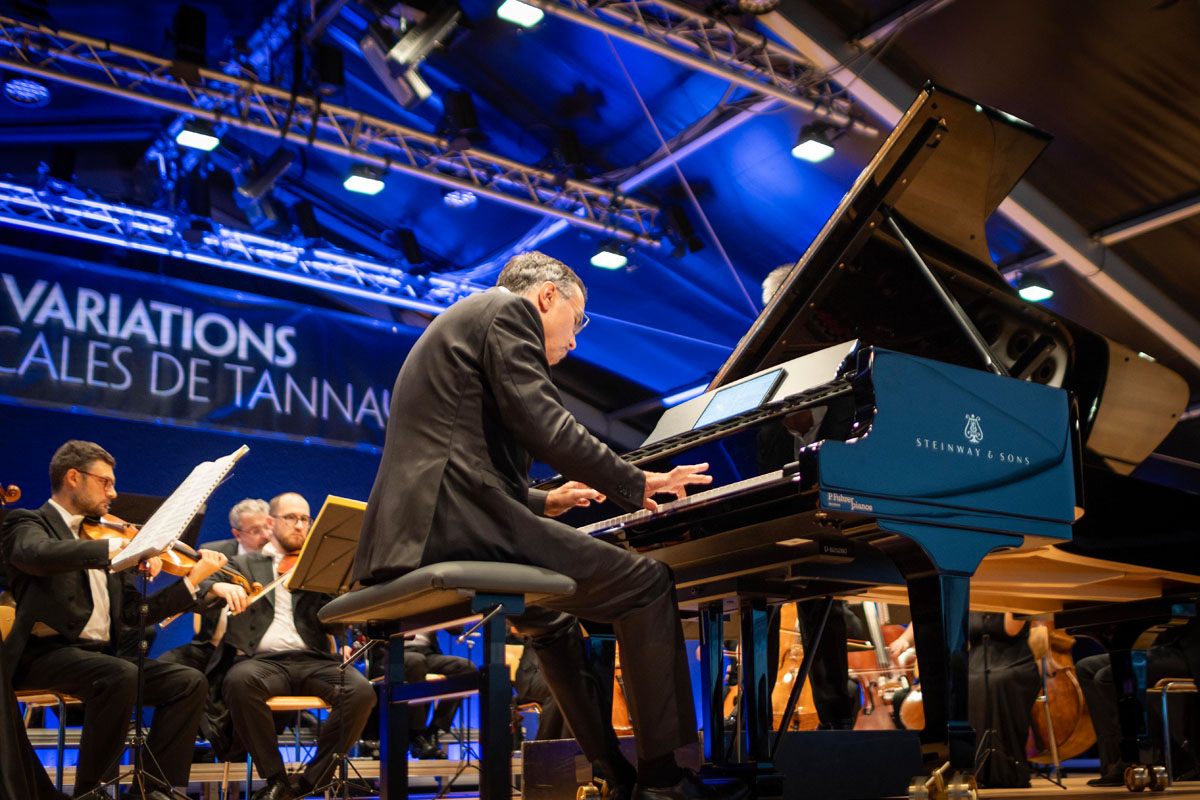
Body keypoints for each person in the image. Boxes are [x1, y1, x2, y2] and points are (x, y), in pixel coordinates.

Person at [353, 250, 744, 800]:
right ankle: (664, 782)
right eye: (576, 320)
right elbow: (548, 426)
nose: (575, 340)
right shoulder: (506, 311)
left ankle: (612, 771)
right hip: (461, 527)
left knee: (553, 621)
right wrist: (636, 480)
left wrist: (542, 500)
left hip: (420, 531)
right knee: (647, 584)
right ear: (546, 296)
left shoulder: (466, 320)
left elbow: (461, 455)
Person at [0, 440, 235, 800]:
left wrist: (191, 582)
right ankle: (93, 791)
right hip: (42, 655)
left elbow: (132, 615)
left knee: (188, 682)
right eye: (105, 482)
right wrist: (112, 550)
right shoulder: (29, 522)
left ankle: (153, 788)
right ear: (73, 477)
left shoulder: (108, 534)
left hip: (99, 659)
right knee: (119, 674)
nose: (113, 493)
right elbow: (33, 554)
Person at [211, 491, 376, 800]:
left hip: (314, 660)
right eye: (291, 518)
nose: (300, 526)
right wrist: (218, 585)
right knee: (239, 681)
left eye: (305, 519)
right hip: (263, 662)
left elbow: (335, 625)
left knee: (361, 691)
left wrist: (342, 593)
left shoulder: (318, 568)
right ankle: (276, 779)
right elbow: (205, 586)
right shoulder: (245, 563)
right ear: (270, 523)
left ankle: (311, 782)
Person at [887, 611, 1039, 788]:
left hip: (1014, 663)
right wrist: (904, 640)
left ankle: (1004, 770)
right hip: (974, 664)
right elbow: (929, 616)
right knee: (957, 683)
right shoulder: (963, 597)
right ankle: (963, 766)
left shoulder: (1007, 600)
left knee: (993, 682)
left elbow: (1009, 631)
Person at [1077, 618, 1200, 786]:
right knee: (1085, 668)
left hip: (1190, 652)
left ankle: (1139, 754)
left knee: (1107, 677)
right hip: (1164, 648)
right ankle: (1113, 760)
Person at [158, 497, 271, 672]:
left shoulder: (278, 558)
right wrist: (215, 586)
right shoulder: (215, 553)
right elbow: (197, 586)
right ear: (237, 535)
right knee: (164, 667)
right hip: (213, 645)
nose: (266, 535)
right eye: (255, 530)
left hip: (260, 649)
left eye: (268, 527)